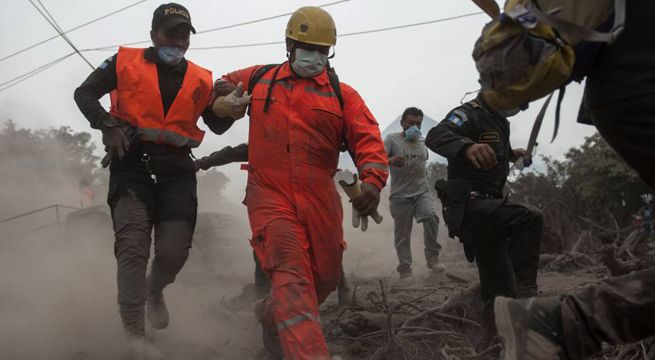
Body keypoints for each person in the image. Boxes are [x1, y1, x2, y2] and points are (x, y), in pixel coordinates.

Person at [210, 6, 388, 359]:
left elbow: (368, 138)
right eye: (307, 47)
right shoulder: (261, 78)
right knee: (292, 273)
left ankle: (269, 312)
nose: (314, 56)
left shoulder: (342, 95)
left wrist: (372, 180)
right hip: (268, 192)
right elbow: (221, 84)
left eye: (322, 50)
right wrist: (225, 100)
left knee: (324, 275)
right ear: (289, 45)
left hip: (320, 195)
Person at [494, 1, 655, 359]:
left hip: (626, 86)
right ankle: (560, 322)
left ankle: (558, 321)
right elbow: (445, 142)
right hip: (640, 81)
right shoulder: (468, 118)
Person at [73, 3, 234, 342]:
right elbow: (84, 93)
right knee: (133, 247)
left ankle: (154, 290)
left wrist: (233, 105)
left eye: (183, 35)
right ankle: (135, 338)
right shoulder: (123, 63)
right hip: (131, 166)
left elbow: (217, 125)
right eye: (170, 33)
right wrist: (107, 125)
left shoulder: (200, 78)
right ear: (153, 34)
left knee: (174, 251)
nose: (177, 41)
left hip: (177, 170)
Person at [424, 95, 543, 338]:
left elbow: (492, 148)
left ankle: (493, 345)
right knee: (529, 217)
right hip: (470, 208)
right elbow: (435, 136)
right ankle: (528, 293)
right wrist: (467, 147)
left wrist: (510, 155)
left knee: (499, 293)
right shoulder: (468, 113)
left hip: (491, 212)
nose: (518, 107)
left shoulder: (498, 120)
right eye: (518, 99)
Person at [384, 107, 444, 280]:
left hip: (421, 191)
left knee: (432, 217)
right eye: (411, 123)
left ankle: (433, 258)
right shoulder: (391, 139)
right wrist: (392, 160)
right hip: (400, 195)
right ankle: (405, 269)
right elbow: (376, 158)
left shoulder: (422, 142)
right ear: (402, 123)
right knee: (403, 235)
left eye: (418, 124)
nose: (415, 127)